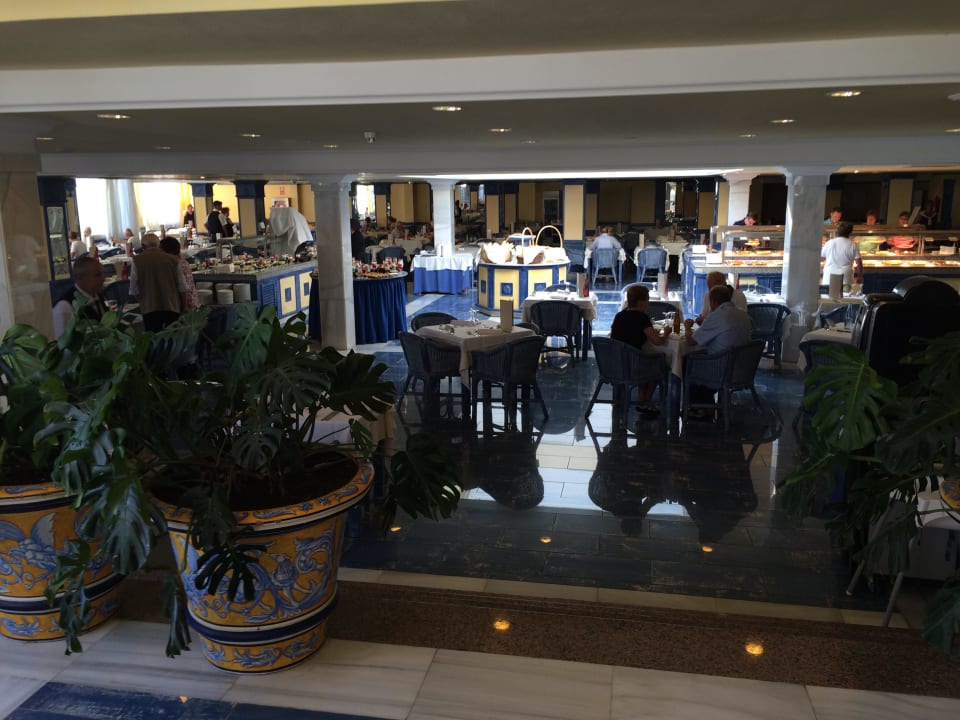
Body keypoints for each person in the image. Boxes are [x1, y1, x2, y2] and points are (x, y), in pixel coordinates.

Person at [684, 284, 753, 413]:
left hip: (721, 370)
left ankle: (697, 406)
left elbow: (691, 341)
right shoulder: (743, 315)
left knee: (686, 361)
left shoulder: (716, 316)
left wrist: (687, 327)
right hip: (743, 369)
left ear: (713, 302)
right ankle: (705, 403)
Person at [129, 233, 188, 332]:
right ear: (159, 244)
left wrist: (143, 301)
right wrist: (184, 307)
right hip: (172, 307)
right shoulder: (173, 260)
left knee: (153, 338)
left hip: (149, 309)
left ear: (143, 246)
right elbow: (182, 287)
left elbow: (134, 289)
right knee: (172, 338)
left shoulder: (136, 261)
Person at [51, 256, 107, 339]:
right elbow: (61, 342)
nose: (103, 279)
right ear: (80, 277)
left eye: (103, 274)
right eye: (97, 275)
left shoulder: (98, 296)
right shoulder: (64, 307)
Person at [610, 284, 671, 351]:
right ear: (640, 302)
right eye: (647, 299)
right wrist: (666, 333)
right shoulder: (642, 318)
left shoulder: (619, 315)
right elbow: (657, 342)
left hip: (615, 355)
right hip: (633, 356)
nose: (648, 302)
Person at [160, 236, 200, 311]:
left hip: (186, 304)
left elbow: (183, 288)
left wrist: (184, 308)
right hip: (193, 302)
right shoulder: (183, 260)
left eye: (161, 251)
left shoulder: (175, 264)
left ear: (168, 251)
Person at [820, 221, 862, 288]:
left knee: (829, 293)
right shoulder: (853, 245)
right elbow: (859, 262)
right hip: (845, 276)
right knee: (845, 294)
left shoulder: (829, 243)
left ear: (838, 231)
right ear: (850, 233)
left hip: (829, 274)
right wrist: (860, 276)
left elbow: (822, 258)